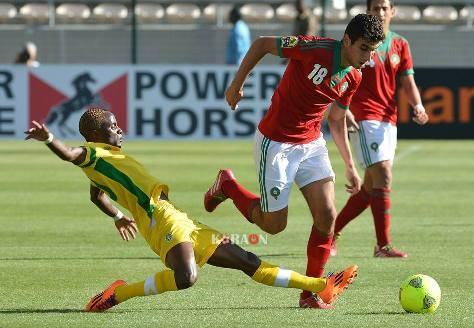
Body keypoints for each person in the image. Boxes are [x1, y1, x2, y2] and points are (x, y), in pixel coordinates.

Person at [24, 107, 358, 312]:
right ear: (96, 135)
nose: (119, 130)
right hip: (160, 219)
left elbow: (97, 196)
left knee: (246, 261)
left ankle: (319, 286)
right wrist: (50, 137)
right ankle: (117, 294)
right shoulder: (92, 153)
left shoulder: (100, 165)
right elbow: (70, 155)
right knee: (187, 278)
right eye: (113, 127)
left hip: (177, 216)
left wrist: (117, 215)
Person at [204, 14, 384, 309]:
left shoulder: (354, 76)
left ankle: (310, 292)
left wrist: (350, 165)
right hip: (276, 144)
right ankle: (228, 185)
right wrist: (236, 84)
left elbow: (337, 119)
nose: (368, 57)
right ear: (347, 40)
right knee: (274, 226)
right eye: (364, 48)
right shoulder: (314, 49)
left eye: (374, 51)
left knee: (327, 216)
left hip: (312, 144)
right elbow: (262, 44)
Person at [332, 0, 429, 259]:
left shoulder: (400, 44)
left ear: (393, 12)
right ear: (369, 12)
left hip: (388, 120)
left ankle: (331, 232)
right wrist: (345, 109)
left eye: (385, 8)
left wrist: (417, 105)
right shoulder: (358, 44)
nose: (381, 12)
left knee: (369, 188)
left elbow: (408, 81)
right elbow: (341, 73)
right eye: (376, 8)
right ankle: (382, 245)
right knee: (384, 175)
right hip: (364, 118)